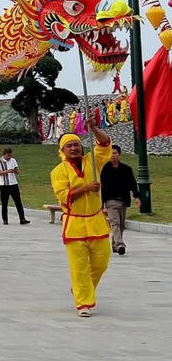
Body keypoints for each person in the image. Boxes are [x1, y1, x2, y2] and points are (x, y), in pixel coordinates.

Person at [51, 126, 113, 316]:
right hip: (75, 224)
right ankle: (83, 303)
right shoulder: (58, 171)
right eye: (69, 146)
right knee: (79, 267)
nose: (74, 148)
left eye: (76, 144)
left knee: (101, 262)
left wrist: (93, 127)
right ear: (62, 151)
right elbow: (63, 195)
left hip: (96, 221)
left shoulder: (93, 161)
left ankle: (81, 288)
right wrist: (86, 188)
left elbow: (104, 143)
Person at [101, 145, 141, 256]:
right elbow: (103, 186)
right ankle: (120, 245)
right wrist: (101, 203)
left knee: (121, 225)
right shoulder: (105, 169)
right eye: (110, 153)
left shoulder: (126, 169)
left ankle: (115, 245)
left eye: (114, 153)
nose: (112, 155)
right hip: (110, 201)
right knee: (115, 223)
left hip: (123, 200)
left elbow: (133, 184)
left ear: (119, 155)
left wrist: (136, 197)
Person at [0, 147, 30, 225]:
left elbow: (17, 170)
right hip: (4, 185)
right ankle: (5, 219)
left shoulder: (13, 160)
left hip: (14, 184)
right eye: (8, 156)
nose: (9, 157)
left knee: (18, 202)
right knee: (4, 203)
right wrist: (7, 171)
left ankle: (22, 219)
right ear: (4, 155)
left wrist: (15, 171)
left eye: (10, 155)